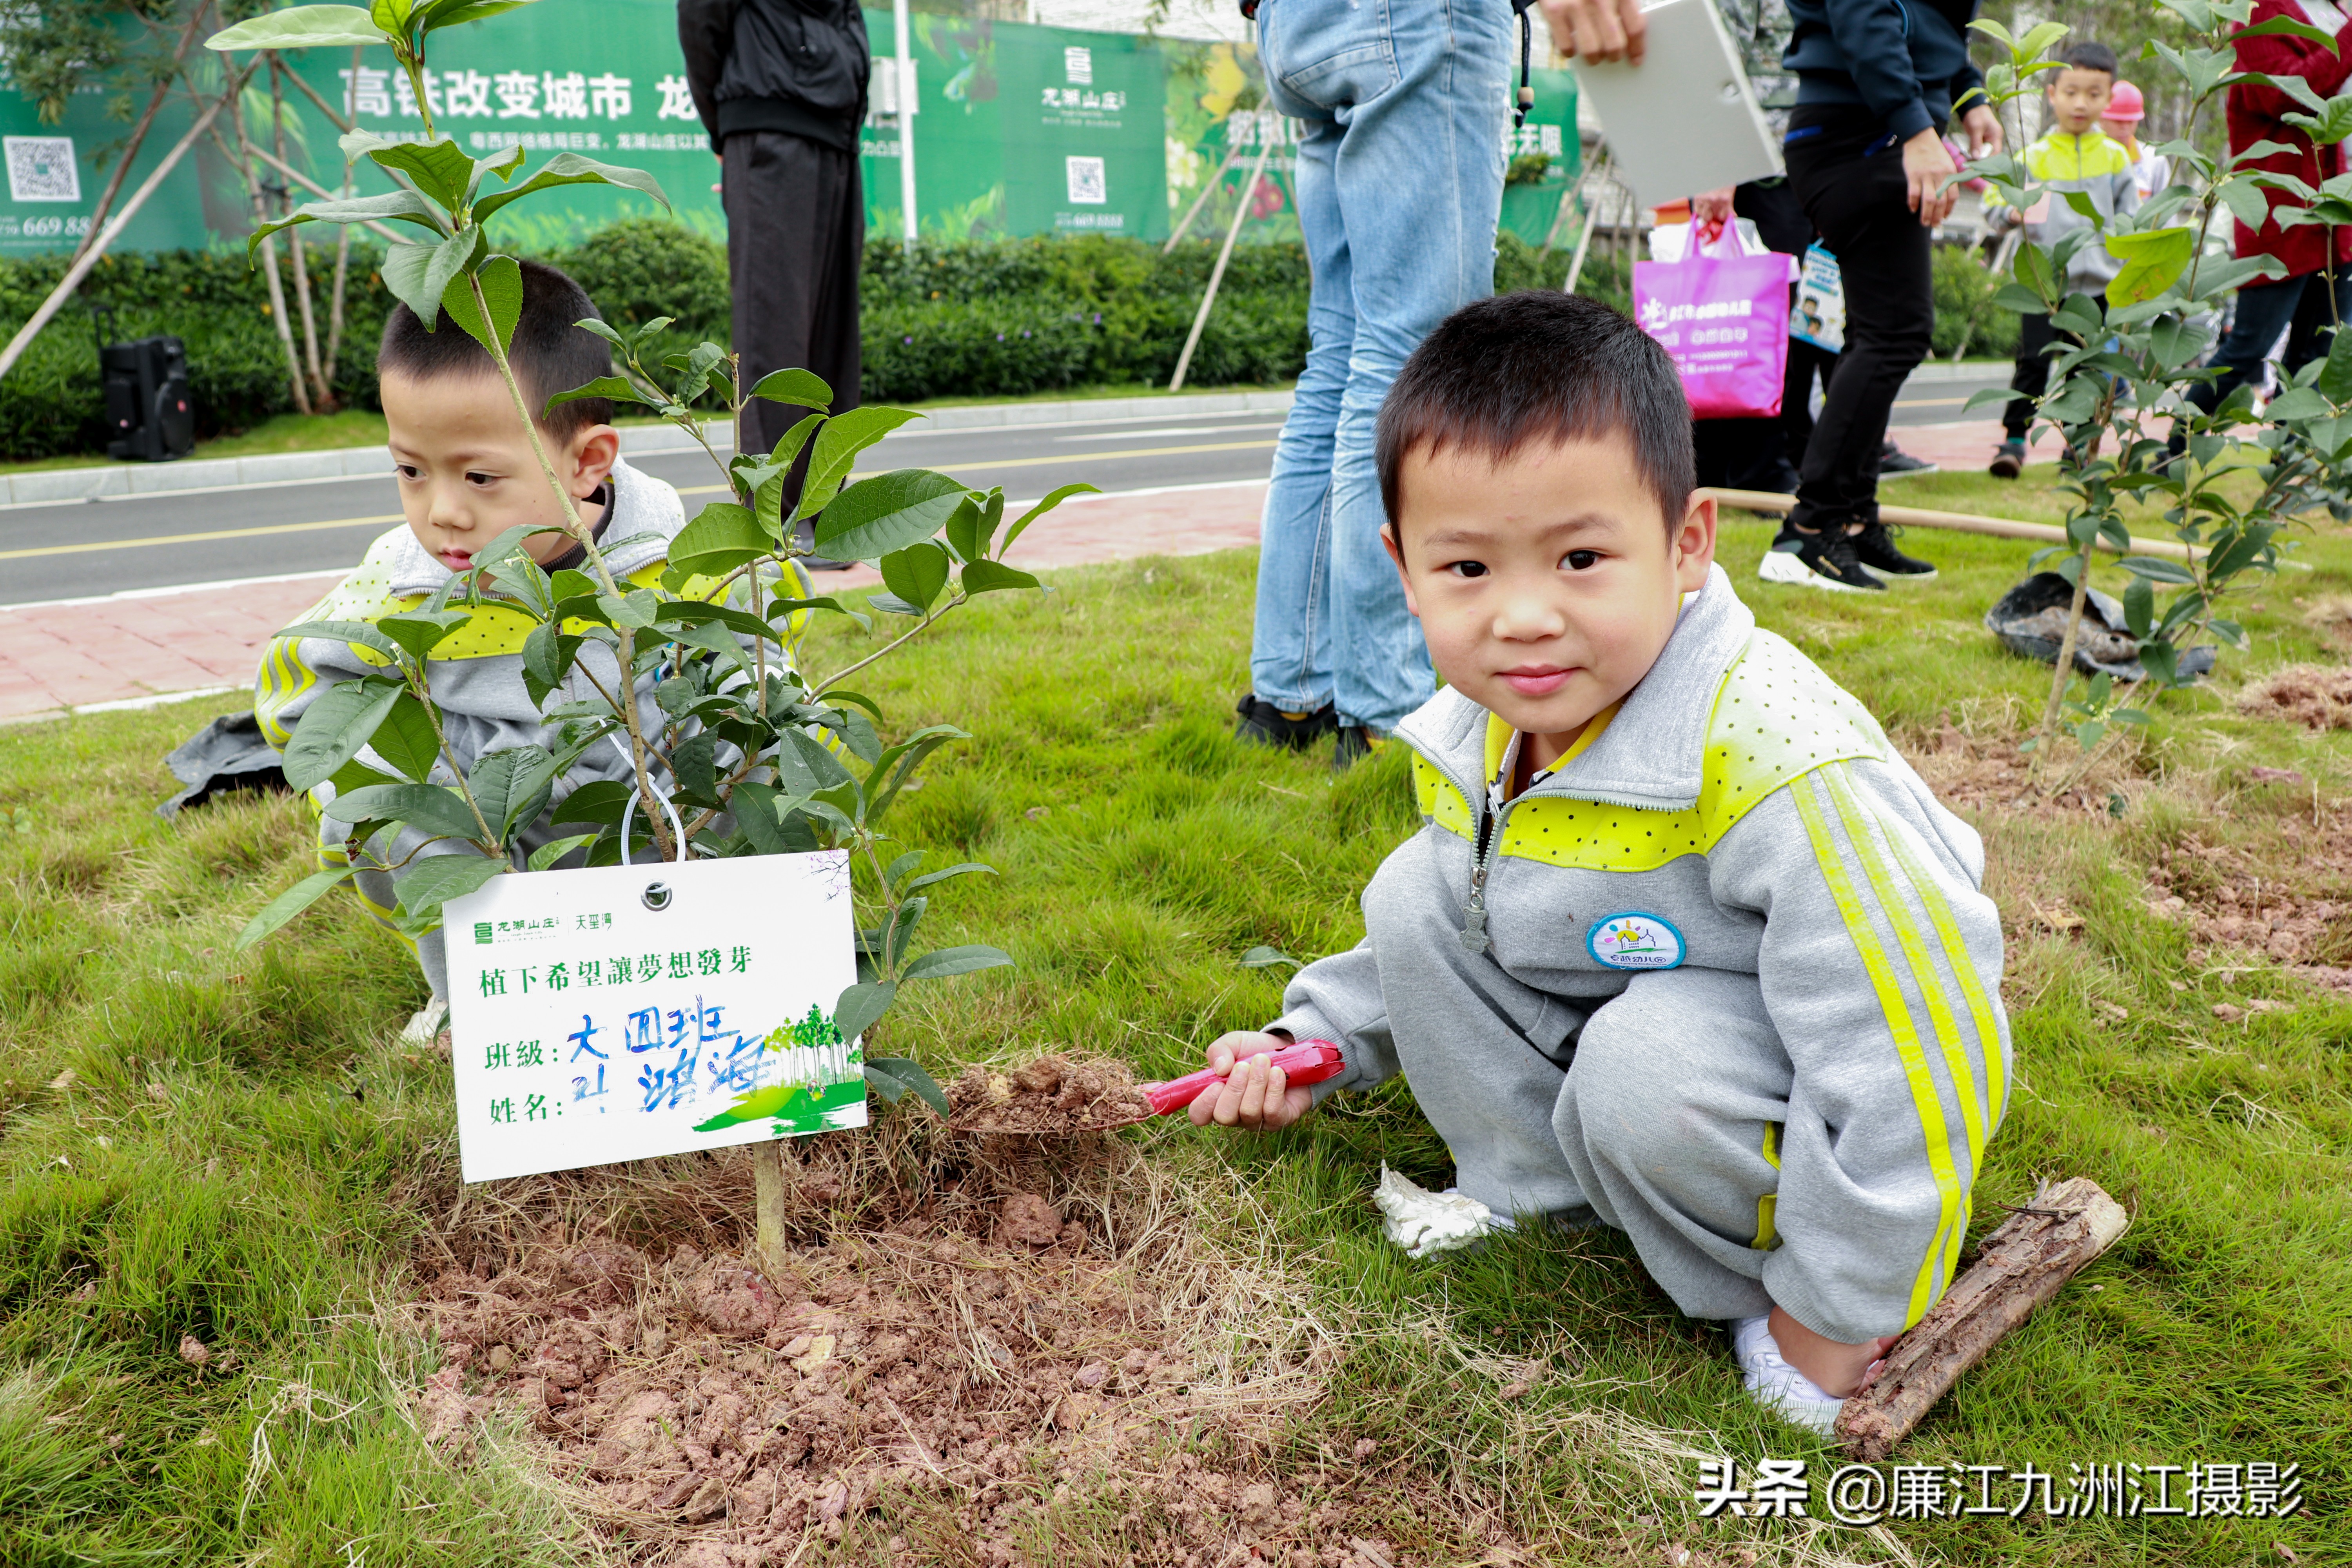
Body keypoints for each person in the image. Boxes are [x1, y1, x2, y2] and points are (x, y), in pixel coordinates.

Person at [1187, 292, 2009, 1433]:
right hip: (1624, 980)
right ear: (1402, 567)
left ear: (1684, 543)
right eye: (1465, 568)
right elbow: (1464, 911)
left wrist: (1845, 1301)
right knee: (1411, 889)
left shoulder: (1776, 755)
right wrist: (1306, 1041)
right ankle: (1539, 1193)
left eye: (1579, 556)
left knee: (1639, 1063)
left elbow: (1918, 1039)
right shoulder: (1483, 724)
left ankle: (1759, 1281)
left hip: (1772, 1058)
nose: (1522, 618)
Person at [254, 262, 747, 1018]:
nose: (442, 512)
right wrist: (404, 778)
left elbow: (756, 656)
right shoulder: (403, 581)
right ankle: (478, 1009)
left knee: (756, 770)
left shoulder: (674, 559)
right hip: (484, 814)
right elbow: (303, 686)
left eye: (479, 478)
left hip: (647, 805)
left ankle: (719, 968)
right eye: (410, 471)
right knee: (377, 817)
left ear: (587, 464)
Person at [1233, 0, 1513, 768]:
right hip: (1415, 16)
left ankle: (1290, 693)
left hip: (1298, 25)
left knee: (1344, 355)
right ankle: (1387, 711)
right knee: (1412, 354)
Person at [1753, 0, 2002, 593]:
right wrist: (1917, 128)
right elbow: (1866, 16)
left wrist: (1970, 95)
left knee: (1878, 334)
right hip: (1861, 134)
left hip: (1867, 130)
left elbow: (1930, 27)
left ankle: (1854, 518)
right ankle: (1808, 532)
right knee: (1896, 333)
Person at [679, 0, 867, 565]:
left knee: (834, 333)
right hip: (767, 128)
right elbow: (702, 24)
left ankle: (823, 508)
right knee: (774, 326)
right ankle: (776, 520)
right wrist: (729, 129)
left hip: (836, 137)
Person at [2174, 0, 2352, 447]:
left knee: (2322, 351)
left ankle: (2290, 466)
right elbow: (2293, 95)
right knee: (2249, 347)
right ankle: (2175, 447)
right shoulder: (2258, 14)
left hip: (2337, 215)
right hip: (2283, 217)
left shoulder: (2334, 14)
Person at [1986, 42, 2139, 479]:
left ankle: (2076, 449)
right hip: (2043, 285)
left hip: (2099, 288)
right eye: (2071, 91)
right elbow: (1997, 199)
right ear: (2051, 93)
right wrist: (2011, 211)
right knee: (2033, 361)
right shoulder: (2033, 157)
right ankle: (2014, 441)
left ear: (2110, 99)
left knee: (2089, 369)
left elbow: (2131, 220)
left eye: (2094, 94)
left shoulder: (2115, 158)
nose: (2081, 103)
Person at [2101, 79, 2169, 203]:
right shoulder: (2086, 157)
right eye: (2118, 121)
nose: (2125, 128)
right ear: (2102, 120)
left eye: (2131, 122)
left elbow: (2166, 215)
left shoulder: (2155, 162)